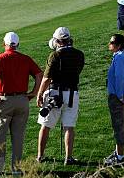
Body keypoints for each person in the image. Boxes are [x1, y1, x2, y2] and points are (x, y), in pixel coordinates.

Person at [0, 32, 42, 176]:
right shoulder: (26, 59)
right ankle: (16, 169)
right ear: (18, 44)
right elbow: (39, 75)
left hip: (4, 101)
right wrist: (33, 93)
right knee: (18, 137)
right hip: (22, 101)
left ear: (4, 44)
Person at [36, 27, 85, 165]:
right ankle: (68, 157)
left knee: (45, 126)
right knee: (69, 126)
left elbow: (46, 79)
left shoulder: (54, 56)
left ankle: (40, 156)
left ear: (57, 41)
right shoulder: (79, 54)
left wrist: (39, 95)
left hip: (55, 94)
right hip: (72, 94)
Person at [103, 34, 124, 166]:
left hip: (117, 96)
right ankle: (118, 152)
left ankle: (120, 156)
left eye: (111, 42)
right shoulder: (122, 56)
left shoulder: (119, 58)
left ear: (118, 45)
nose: (109, 44)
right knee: (119, 124)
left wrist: (120, 96)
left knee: (118, 126)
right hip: (120, 95)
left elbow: (119, 78)